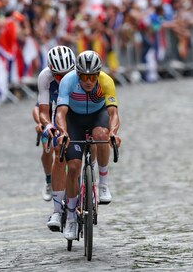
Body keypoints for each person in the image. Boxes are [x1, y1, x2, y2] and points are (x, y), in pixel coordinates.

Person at [55, 51, 121, 241]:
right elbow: (60, 113)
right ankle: (71, 219)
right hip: (73, 119)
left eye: (93, 77)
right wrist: (63, 132)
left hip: (96, 116)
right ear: (78, 74)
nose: (89, 81)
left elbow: (113, 113)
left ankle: (103, 184)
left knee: (101, 135)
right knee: (74, 166)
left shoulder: (106, 81)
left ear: (98, 75)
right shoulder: (68, 81)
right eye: (84, 77)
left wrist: (114, 133)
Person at [34, 46, 75, 231]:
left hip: (76, 112)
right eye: (58, 75)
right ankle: (52, 187)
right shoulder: (45, 77)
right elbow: (41, 110)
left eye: (66, 74)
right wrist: (46, 125)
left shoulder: (79, 75)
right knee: (52, 149)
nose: (63, 79)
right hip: (53, 114)